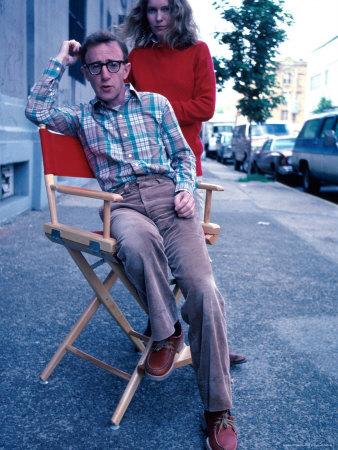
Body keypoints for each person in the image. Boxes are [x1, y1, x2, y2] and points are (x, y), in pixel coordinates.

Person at [25, 31, 238, 450]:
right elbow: (36, 110)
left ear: (126, 68)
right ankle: (167, 331)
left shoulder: (156, 105)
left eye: (112, 65)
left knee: (203, 289)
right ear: (86, 73)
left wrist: (183, 188)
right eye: (93, 67)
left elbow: (182, 156)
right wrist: (60, 59)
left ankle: (217, 408)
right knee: (136, 245)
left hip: (168, 197)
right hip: (120, 204)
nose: (104, 74)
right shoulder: (82, 117)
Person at [123, 0, 246, 367]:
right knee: (147, 250)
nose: (158, 18)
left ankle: (202, 337)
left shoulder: (198, 51)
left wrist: (155, 110)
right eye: (151, 10)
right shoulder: (136, 56)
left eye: (166, 9)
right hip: (142, 171)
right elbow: (121, 104)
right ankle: (166, 326)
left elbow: (205, 106)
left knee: (191, 261)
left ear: (179, 12)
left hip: (183, 168)